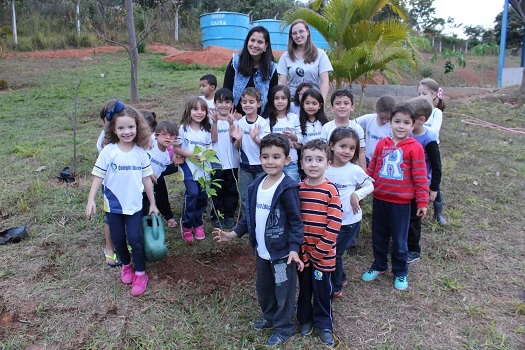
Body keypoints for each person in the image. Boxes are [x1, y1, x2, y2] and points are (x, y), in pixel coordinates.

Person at [213, 133, 304, 347]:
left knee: (283, 290)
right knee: (264, 288)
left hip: (281, 255)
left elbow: (296, 222)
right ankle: (270, 317)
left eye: (276, 157)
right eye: (265, 157)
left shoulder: (287, 188)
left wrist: (293, 249)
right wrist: (233, 234)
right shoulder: (255, 186)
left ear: (287, 160)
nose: (270, 162)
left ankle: (284, 328)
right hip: (262, 253)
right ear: (260, 158)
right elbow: (248, 219)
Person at [86, 99, 159, 297]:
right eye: (121, 128)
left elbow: (146, 180)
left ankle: (141, 272)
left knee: (135, 239)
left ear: (138, 127)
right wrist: (91, 199)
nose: (127, 131)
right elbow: (98, 176)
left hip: (134, 205)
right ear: (113, 130)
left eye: (131, 127)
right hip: (113, 205)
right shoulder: (108, 152)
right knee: (118, 240)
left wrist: (152, 203)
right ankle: (126, 265)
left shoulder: (141, 153)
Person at [361, 103, 428, 291]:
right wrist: (364, 189)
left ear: (413, 125)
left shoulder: (415, 148)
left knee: (399, 239)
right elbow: (372, 168)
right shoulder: (383, 144)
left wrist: (422, 201)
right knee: (379, 235)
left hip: (401, 203)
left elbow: (421, 176)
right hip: (380, 199)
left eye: (406, 122)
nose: (401, 126)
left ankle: (400, 271)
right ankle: (379, 265)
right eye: (397, 121)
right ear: (390, 123)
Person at [297, 138, 342, 346]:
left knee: (323, 291)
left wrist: (318, 252)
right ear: (301, 163)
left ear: (328, 163)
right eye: (308, 159)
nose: (313, 164)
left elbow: (334, 225)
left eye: (319, 159)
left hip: (323, 255)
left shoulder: (331, 190)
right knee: (304, 289)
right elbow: (294, 222)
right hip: (302, 254)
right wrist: (302, 252)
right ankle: (304, 319)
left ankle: (324, 323)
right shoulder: (297, 189)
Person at [324, 127, 373, 297]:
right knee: (330, 251)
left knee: (335, 254)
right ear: (331, 146)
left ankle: (336, 287)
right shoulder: (324, 167)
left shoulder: (354, 170)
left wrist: (356, 194)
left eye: (352, 148)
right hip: (329, 220)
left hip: (348, 221)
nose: (347, 151)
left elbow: (370, 184)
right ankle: (342, 276)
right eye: (342, 146)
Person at [173, 96, 215, 243]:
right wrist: (190, 155)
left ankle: (197, 222)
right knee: (193, 193)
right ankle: (186, 223)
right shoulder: (183, 129)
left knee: (203, 196)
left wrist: (207, 155)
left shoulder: (206, 129)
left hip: (203, 168)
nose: (199, 112)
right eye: (195, 109)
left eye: (203, 109)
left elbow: (209, 147)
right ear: (188, 111)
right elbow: (176, 149)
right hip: (188, 166)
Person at [406, 97, 443, 264]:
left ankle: (413, 250)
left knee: (414, 218)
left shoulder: (428, 139)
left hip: (420, 185)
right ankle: (401, 242)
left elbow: (437, 166)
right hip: (403, 184)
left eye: (409, 118)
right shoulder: (405, 133)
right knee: (404, 215)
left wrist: (433, 188)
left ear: (421, 120)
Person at [229, 87, 271, 220]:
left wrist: (254, 138)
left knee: (262, 194)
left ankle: (262, 219)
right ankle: (246, 222)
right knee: (246, 195)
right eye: (244, 102)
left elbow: (266, 146)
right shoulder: (239, 123)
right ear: (241, 103)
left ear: (259, 103)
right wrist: (239, 139)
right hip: (245, 166)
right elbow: (236, 147)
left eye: (251, 102)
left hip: (261, 166)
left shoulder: (263, 123)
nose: (247, 105)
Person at [223, 26, 278, 118]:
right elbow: (226, 91)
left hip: (260, 121)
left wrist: (262, 119)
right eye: (252, 40)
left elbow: (272, 98)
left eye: (260, 42)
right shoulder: (235, 62)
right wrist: (232, 113)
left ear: (266, 45)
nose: (255, 45)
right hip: (235, 118)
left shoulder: (271, 68)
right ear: (247, 41)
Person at [277, 19, 333, 104]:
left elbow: (324, 82)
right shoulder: (285, 56)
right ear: (291, 36)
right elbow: (282, 83)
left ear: (307, 32)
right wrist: (284, 103)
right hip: (293, 103)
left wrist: (322, 103)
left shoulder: (321, 54)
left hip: (313, 103)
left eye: (301, 31)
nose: (298, 35)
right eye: (294, 33)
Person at [417, 77, 448, 225]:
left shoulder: (436, 113)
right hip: (417, 149)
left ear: (434, 95)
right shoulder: (416, 111)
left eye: (424, 94)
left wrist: (420, 128)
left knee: (432, 177)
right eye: (419, 94)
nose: (421, 97)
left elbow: (434, 132)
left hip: (430, 148)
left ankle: (438, 212)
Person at [209, 88, 239, 229]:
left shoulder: (235, 121)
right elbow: (213, 139)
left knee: (231, 191)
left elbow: (234, 140)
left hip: (232, 163)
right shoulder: (211, 120)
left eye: (227, 102)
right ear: (215, 103)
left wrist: (231, 124)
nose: (224, 105)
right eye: (220, 102)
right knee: (217, 191)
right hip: (216, 163)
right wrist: (215, 123)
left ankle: (229, 215)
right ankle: (216, 216)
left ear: (232, 104)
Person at [143, 120, 179, 229]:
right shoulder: (149, 142)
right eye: (164, 134)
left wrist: (176, 163)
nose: (167, 138)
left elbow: (161, 171)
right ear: (156, 134)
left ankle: (149, 229)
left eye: (171, 135)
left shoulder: (167, 156)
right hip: (136, 181)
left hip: (149, 185)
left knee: (147, 208)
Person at [96, 101, 119, 267]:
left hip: (128, 184)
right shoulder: (105, 140)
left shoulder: (128, 134)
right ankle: (109, 248)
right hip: (111, 185)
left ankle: (124, 242)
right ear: (106, 120)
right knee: (111, 216)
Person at [320, 89, 366, 171]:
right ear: (332, 108)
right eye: (338, 103)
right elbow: (323, 151)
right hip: (330, 169)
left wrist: (363, 172)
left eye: (346, 103)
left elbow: (361, 152)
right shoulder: (326, 127)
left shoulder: (357, 128)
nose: (342, 106)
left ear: (352, 107)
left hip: (351, 169)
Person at [265, 85, 302, 182]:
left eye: (283, 98)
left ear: (289, 100)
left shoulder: (294, 118)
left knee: (292, 189)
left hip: (291, 162)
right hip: (274, 163)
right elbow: (266, 142)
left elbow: (301, 138)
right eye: (276, 98)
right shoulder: (267, 121)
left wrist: (292, 136)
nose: (280, 101)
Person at [355, 95, 397, 165]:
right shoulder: (369, 119)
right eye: (382, 118)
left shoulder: (393, 125)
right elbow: (352, 124)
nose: (385, 121)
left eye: (388, 119)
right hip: (368, 159)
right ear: (377, 112)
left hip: (385, 161)